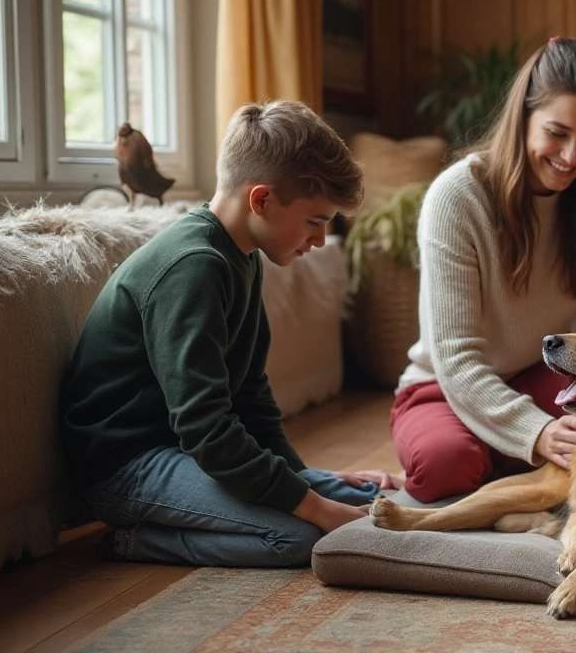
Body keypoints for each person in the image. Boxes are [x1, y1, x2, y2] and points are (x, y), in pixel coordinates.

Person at [61, 100, 400, 567]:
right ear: (261, 200)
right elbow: (206, 428)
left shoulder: (242, 256)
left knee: (357, 496)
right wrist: (315, 506)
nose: (320, 239)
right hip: (128, 467)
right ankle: (135, 541)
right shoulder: (194, 267)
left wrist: (303, 478)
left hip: (189, 450)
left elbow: (250, 395)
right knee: (300, 537)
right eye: (314, 221)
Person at [392, 36, 576, 503]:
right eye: (557, 133)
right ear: (523, 118)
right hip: (442, 387)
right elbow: (456, 356)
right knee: (447, 465)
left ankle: (505, 464)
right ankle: (502, 458)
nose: (571, 157)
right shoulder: (457, 196)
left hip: (544, 377)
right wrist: (536, 432)